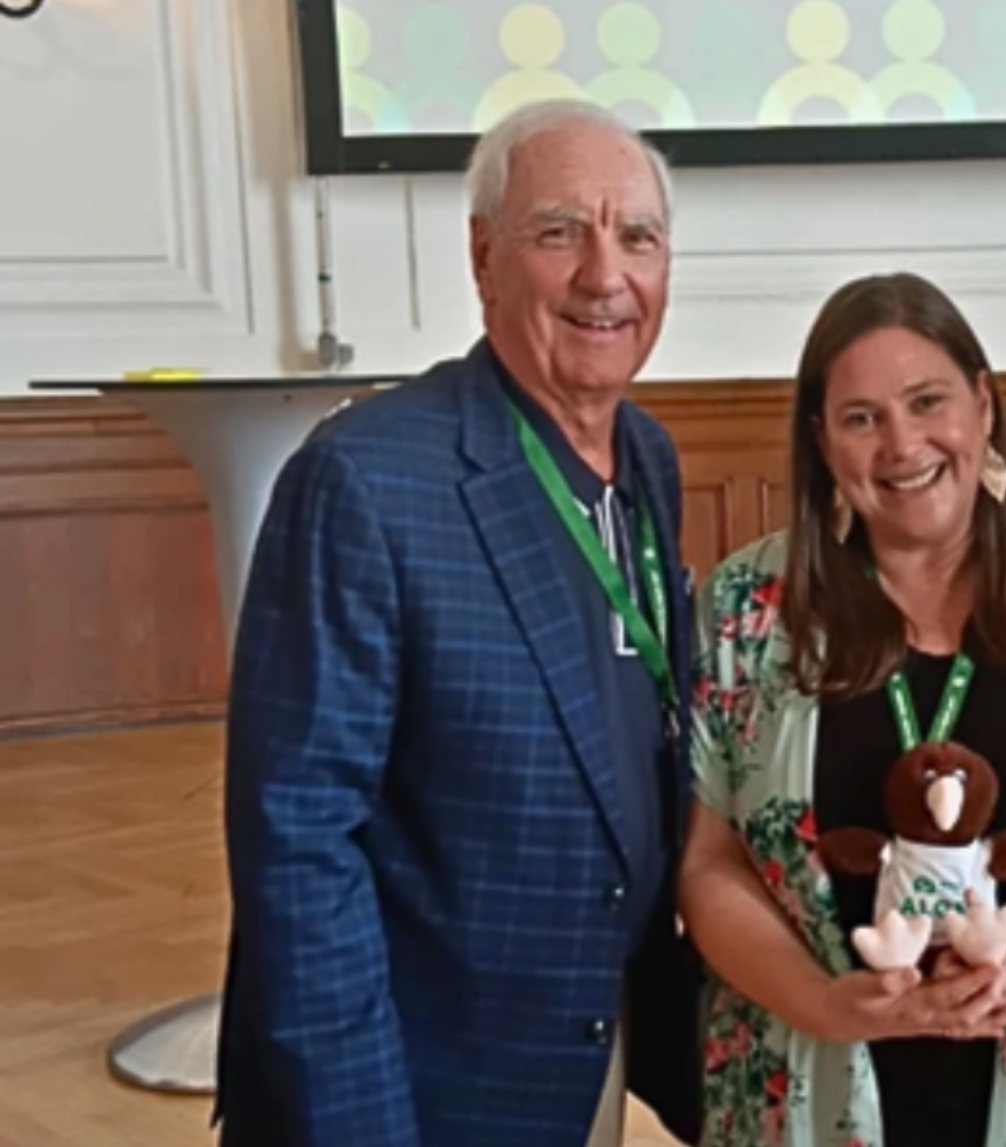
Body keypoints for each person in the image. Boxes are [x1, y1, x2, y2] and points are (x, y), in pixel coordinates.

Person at [215, 100, 702, 1147]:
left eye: (638, 237)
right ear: (484, 256)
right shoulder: (367, 480)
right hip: (424, 1079)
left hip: (584, 1039)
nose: (605, 275)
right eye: (560, 231)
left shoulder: (649, 460)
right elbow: (299, 842)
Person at [676, 272, 1006, 1147]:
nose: (902, 444)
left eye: (928, 401)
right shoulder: (750, 609)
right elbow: (707, 861)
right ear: (822, 441)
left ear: (983, 404)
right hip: (805, 1088)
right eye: (861, 418)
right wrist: (826, 1004)